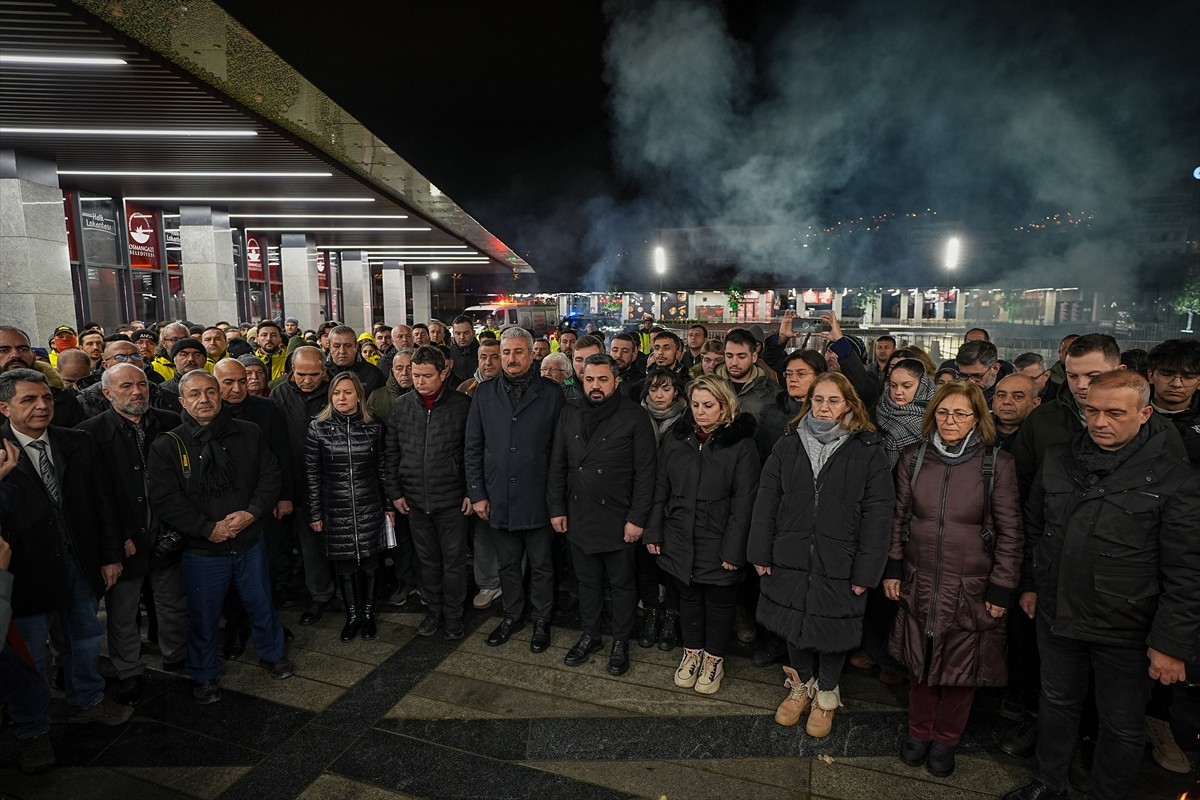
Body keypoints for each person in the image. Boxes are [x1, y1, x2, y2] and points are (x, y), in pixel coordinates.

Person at [1005, 371, 1200, 800]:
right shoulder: (1059, 459)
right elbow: (1036, 526)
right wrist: (1032, 585)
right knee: (1055, 703)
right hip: (1057, 613)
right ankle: (1048, 782)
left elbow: (1187, 572)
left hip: (1127, 625)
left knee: (1121, 724)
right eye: (1091, 410)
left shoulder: (1175, 480)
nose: (1100, 422)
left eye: (1115, 413)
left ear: (1145, 414)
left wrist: (1171, 643)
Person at [884, 380, 1023, 778]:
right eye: (943, 412)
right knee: (920, 663)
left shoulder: (996, 464)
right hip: (919, 578)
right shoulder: (914, 457)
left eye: (961, 413)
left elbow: (1012, 533)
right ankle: (918, 732)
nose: (950, 420)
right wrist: (893, 567)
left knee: (961, 671)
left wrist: (1002, 587)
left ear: (978, 418)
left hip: (971, 586)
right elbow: (898, 518)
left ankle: (946, 739)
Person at [749, 372, 893, 737]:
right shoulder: (788, 442)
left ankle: (827, 693)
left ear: (849, 404)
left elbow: (879, 513)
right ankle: (802, 685)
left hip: (841, 557)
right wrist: (760, 550)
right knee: (793, 624)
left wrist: (867, 570)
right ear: (807, 402)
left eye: (833, 400)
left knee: (834, 628)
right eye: (818, 400)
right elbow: (766, 501)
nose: (824, 407)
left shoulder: (868, 447)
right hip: (790, 551)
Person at [0, 368, 133, 752]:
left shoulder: (77, 441)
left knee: (85, 637)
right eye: (29, 400)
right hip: (23, 571)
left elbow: (101, 500)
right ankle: (33, 729)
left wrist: (110, 555)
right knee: (29, 654)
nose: (42, 406)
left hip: (78, 560)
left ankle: (88, 699)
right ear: (4, 407)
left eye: (46, 398)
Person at [149, 371, 291, 704]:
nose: (204, 399)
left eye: (211, 392)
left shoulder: (249, 433)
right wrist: (206, 528)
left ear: (220, 395)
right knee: (203, 614)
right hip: (202, 549)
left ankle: (273, 655)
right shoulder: (168, 445)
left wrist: (252, 512)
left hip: (248, 539)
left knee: (261, 603)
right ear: (182, 401)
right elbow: (166, 499)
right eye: (195, 394)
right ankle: (204, 674)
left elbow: (270, 477)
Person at [76, 364, 186, 705]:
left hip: (166, 529)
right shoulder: (88, 434)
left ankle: (177, 656)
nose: (137, 391)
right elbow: (94, 496)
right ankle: (129, 672)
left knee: (171, 601)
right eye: (126, 386)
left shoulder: (170, 422)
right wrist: (115, 538)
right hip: (122, 535)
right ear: (107, 393)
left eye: (141, 384)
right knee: (123, 611)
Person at [643, 375, 759, 695]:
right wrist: (654, 530)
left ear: (726, 406)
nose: (700, 412)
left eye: (708, 406)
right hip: (680, 533)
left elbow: (745, 502)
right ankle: (692, 652)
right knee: (688, 597)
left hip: (718, 535)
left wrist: (734, 550)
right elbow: (660, 488)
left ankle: (714, 658)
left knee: (720, 603)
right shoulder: (677, 438)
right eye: (695, 405)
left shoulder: (741, 444)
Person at [548, 354, 657, 675]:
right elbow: (557, 465)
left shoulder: (634, 416)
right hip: (579, 513)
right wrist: (556, 508)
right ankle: (590, 635)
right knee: (586, 582)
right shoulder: (569, 414)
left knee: (622, 584)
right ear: (582, 380)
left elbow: (646, 473)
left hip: (620, 518)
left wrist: (637, 519)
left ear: (616, 381)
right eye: (590, 379)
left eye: (603, 380)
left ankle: (621, 641)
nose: (596, 386)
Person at [465, 327, 564, 652]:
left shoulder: (551, 394)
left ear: (532, 354)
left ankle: (541, 620)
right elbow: (473, 446)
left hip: (538, 496)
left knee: (541, 565)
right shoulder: (484, 392)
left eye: (518, 352)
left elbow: (559, 452)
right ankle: (512, 615)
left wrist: (557, 502)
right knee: (507, 564)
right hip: (499, 495)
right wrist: (477, 492)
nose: (511, 358)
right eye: (505, 353)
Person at [384, 346, 473, 640]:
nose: (419, 381)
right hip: (414, 500)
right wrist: (395, 492)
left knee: (454, 562)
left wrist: (471, 491)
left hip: (451, 500)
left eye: (426, 376)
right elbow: (392, 452)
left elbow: (471, 452)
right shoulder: (401, 406)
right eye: (415, 374)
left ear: (443, 373)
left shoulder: (462, 405)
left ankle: (454, 615)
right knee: (428, 562)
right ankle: (434, 611)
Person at [305, 372, 388, 643]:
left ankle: (369, 613)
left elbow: (383, 469)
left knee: (371, 562)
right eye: (337, 392)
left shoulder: (374, 425)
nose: (342, 397)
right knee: (345, 564)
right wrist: (316, 513)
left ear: (358, 396)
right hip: (335, 506)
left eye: (348, 392)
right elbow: (312, 474)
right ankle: (352, 616)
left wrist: (388, 506)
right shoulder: (318, 427)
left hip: (369, 503)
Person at [271, 346, 337, 625]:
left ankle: (349, 593)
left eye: (313, 374)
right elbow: (275, 444)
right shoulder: (279, 394)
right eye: (301, 374)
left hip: (335, 483)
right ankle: (321, 596)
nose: (307, 380)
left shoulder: (337, 390)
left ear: (324, 372)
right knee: (309, 547)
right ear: (290, 371)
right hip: (297, 483)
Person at [0, 326, 87, 428]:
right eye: (4, 350)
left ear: (33, 355)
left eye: (23, 349)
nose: (15, 355)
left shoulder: (60, 394)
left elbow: (81, 437)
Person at [1146, 338, 1200, 462]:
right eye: (1166, 374)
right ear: (1150, 375)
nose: (1176, 384)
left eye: (1188, 376)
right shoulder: (1129, 413)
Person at [876, 358, 936, 467]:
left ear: (921, 385)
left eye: (907, 386)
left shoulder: (939, 412)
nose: (898, 392)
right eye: (893, 385)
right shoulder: (880, 407)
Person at [717, 329, 779, 418]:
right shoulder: (708, 386)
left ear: (754, 357)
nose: (734, 362)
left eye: (741, 356)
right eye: (729, 356)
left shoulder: (773, 392)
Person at [326, 326, 384, 396]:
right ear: (329, 346)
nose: (342, 351)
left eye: (347, 346)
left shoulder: (373, 374)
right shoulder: (321, 372)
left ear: (356, 346)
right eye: (336, 346)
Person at [992, 374, 1041, 452]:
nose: (1006, 401)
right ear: (994, 400)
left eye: (1017, 396)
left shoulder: (1043, 436)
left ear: (1035, 403)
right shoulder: (976, 429)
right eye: (1001, 395)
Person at [955, 340, 1012, 404]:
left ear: (995, 368)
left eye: (976, 376)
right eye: (963, 375)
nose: (970, 382)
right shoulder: (953, 389)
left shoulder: (1014, 393)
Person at [448, 315, 480, 386]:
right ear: (453, 334)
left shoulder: (482, 352)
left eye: (466, 333)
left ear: (473, 333)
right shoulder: (447, 354)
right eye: (458, 333)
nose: (462, 337)